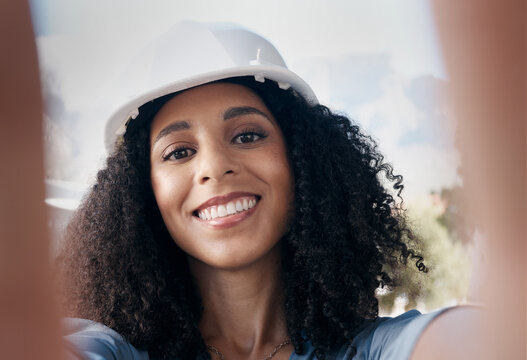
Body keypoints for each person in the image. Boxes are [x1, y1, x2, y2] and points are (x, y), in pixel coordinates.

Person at [57, 21, 478, 360]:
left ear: (301, 160)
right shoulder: (113, 352)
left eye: (246, 136)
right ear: (142, 192)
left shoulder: (372, 352)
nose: (214, 166)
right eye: (179, 151)